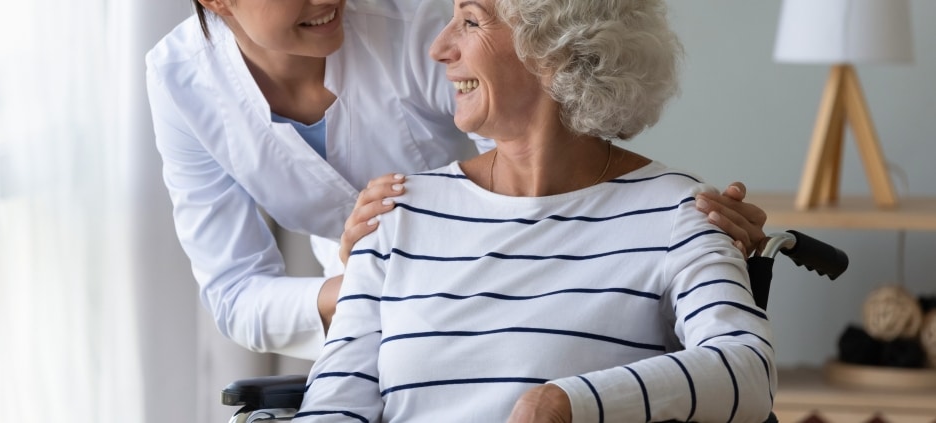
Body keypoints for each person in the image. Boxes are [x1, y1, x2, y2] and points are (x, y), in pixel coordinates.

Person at [145, 0, 768, 361]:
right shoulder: (179, 81)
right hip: (372, 323)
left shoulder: (411, 23)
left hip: (520, 293)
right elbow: (235, 293)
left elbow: (539, 162)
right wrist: (362, 287)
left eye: (468, 22)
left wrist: (672, 221)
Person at [293, 0, 774, 421]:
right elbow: (335, 405)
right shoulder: (397, 213)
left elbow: (746, 370)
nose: (439, 47)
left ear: (555, 46)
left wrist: (567, 403)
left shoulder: (674, 213)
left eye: (471, 21)